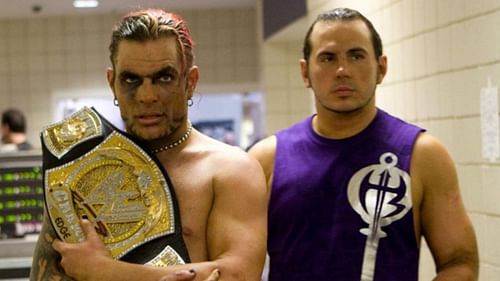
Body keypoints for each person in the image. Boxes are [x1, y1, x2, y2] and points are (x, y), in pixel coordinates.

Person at [29, 8, 267, 281]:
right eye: (131, 79)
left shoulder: (231, 170)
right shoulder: (80, 170)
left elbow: (238, 275)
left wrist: (104, 271)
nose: (147, 96)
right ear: (112, 83)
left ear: (190, 82)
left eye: (163, 78)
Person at [249, 7, 478, 281]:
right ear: (305, 72)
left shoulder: (423, 155)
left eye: (356, 56)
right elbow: (241, 267)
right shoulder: (266, 160)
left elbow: (459, 263)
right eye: (328, 58)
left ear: (381, 68)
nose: (342, 70)